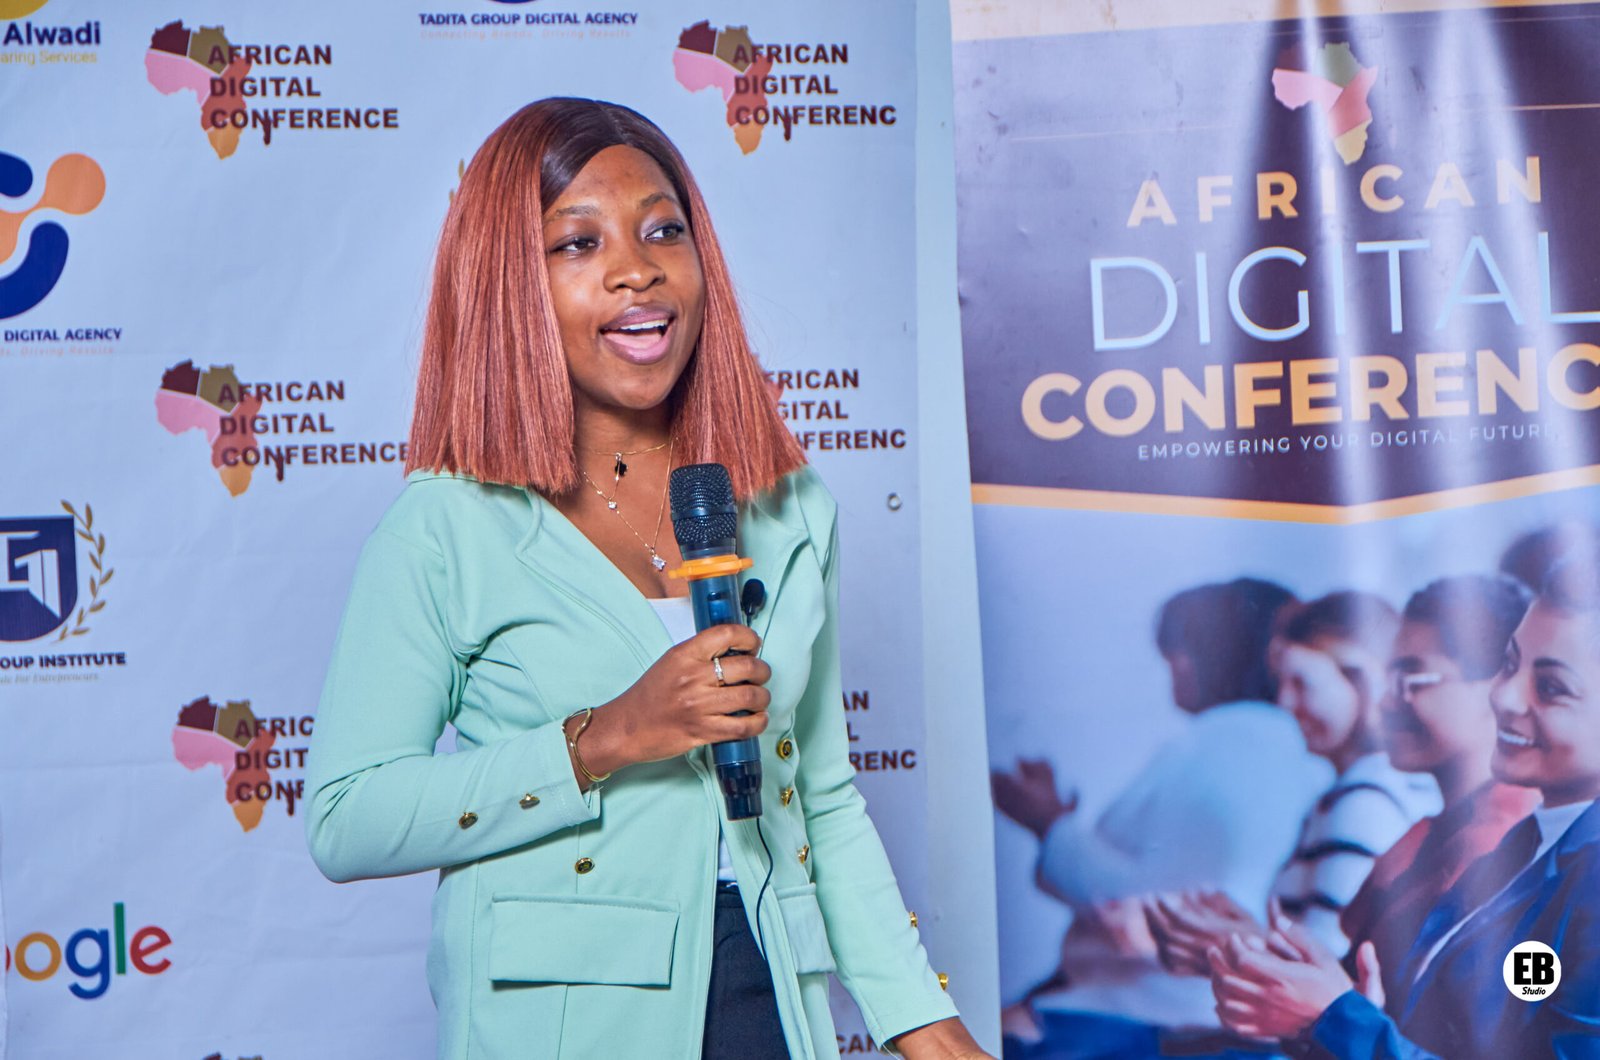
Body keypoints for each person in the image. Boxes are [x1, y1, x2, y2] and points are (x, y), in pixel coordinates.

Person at [304, 98, 988, 1060]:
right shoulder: (447, 527)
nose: (638, 269)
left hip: (769, 994)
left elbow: (822, 798)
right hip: (564, 1022)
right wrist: (606, 737)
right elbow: (347, 818)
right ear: (508, 285)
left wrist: (928, 1028)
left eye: (664, 230)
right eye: (579, 244)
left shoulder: (788, 509)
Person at [1206, 556, 1600, 1057]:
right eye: (1509, 664)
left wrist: (1338, 1018)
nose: (1504, 696)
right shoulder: (1531, 843)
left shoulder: (1523, 845)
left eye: (1551, 687)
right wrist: (1333, 1006)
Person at [993, 579, 1329, 1044]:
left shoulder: (1218, 748)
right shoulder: (1299, 755)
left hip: (1144, 1019)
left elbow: (1147, 908)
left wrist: (1050, 825)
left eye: (1179, 650)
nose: (1174, 668)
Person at [1146, 591, 1440, 979]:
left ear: (1362, 681)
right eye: (1281, 684)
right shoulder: (1366, 790)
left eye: (1302, 683)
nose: (1285, 702)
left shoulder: (1365, 798)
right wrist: (1246, 932)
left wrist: (1238, 945)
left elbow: (1334, 970)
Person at [1336, 575, 1537, 1009]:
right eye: (1388, 681)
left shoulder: (1509, 842)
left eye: (1412, 679)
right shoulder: (1430, 834)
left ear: (1502, 686)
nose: (1386, 704)